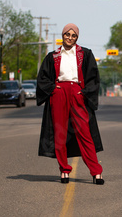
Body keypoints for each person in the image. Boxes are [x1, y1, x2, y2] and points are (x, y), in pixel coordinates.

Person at [36, 23, 104, 185]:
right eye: (67, 34)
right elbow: (42, 78)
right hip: (59, 92)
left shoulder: (85, 54)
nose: (70, 38)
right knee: (60, 133)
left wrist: (84, 92)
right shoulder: (52, 56)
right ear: (63, 35)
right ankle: (64, 170)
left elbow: (93, 76)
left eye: (73, 36)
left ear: (77, 38)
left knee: (84, 132)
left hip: (77, 93)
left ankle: (96, 172)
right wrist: (53, 89)